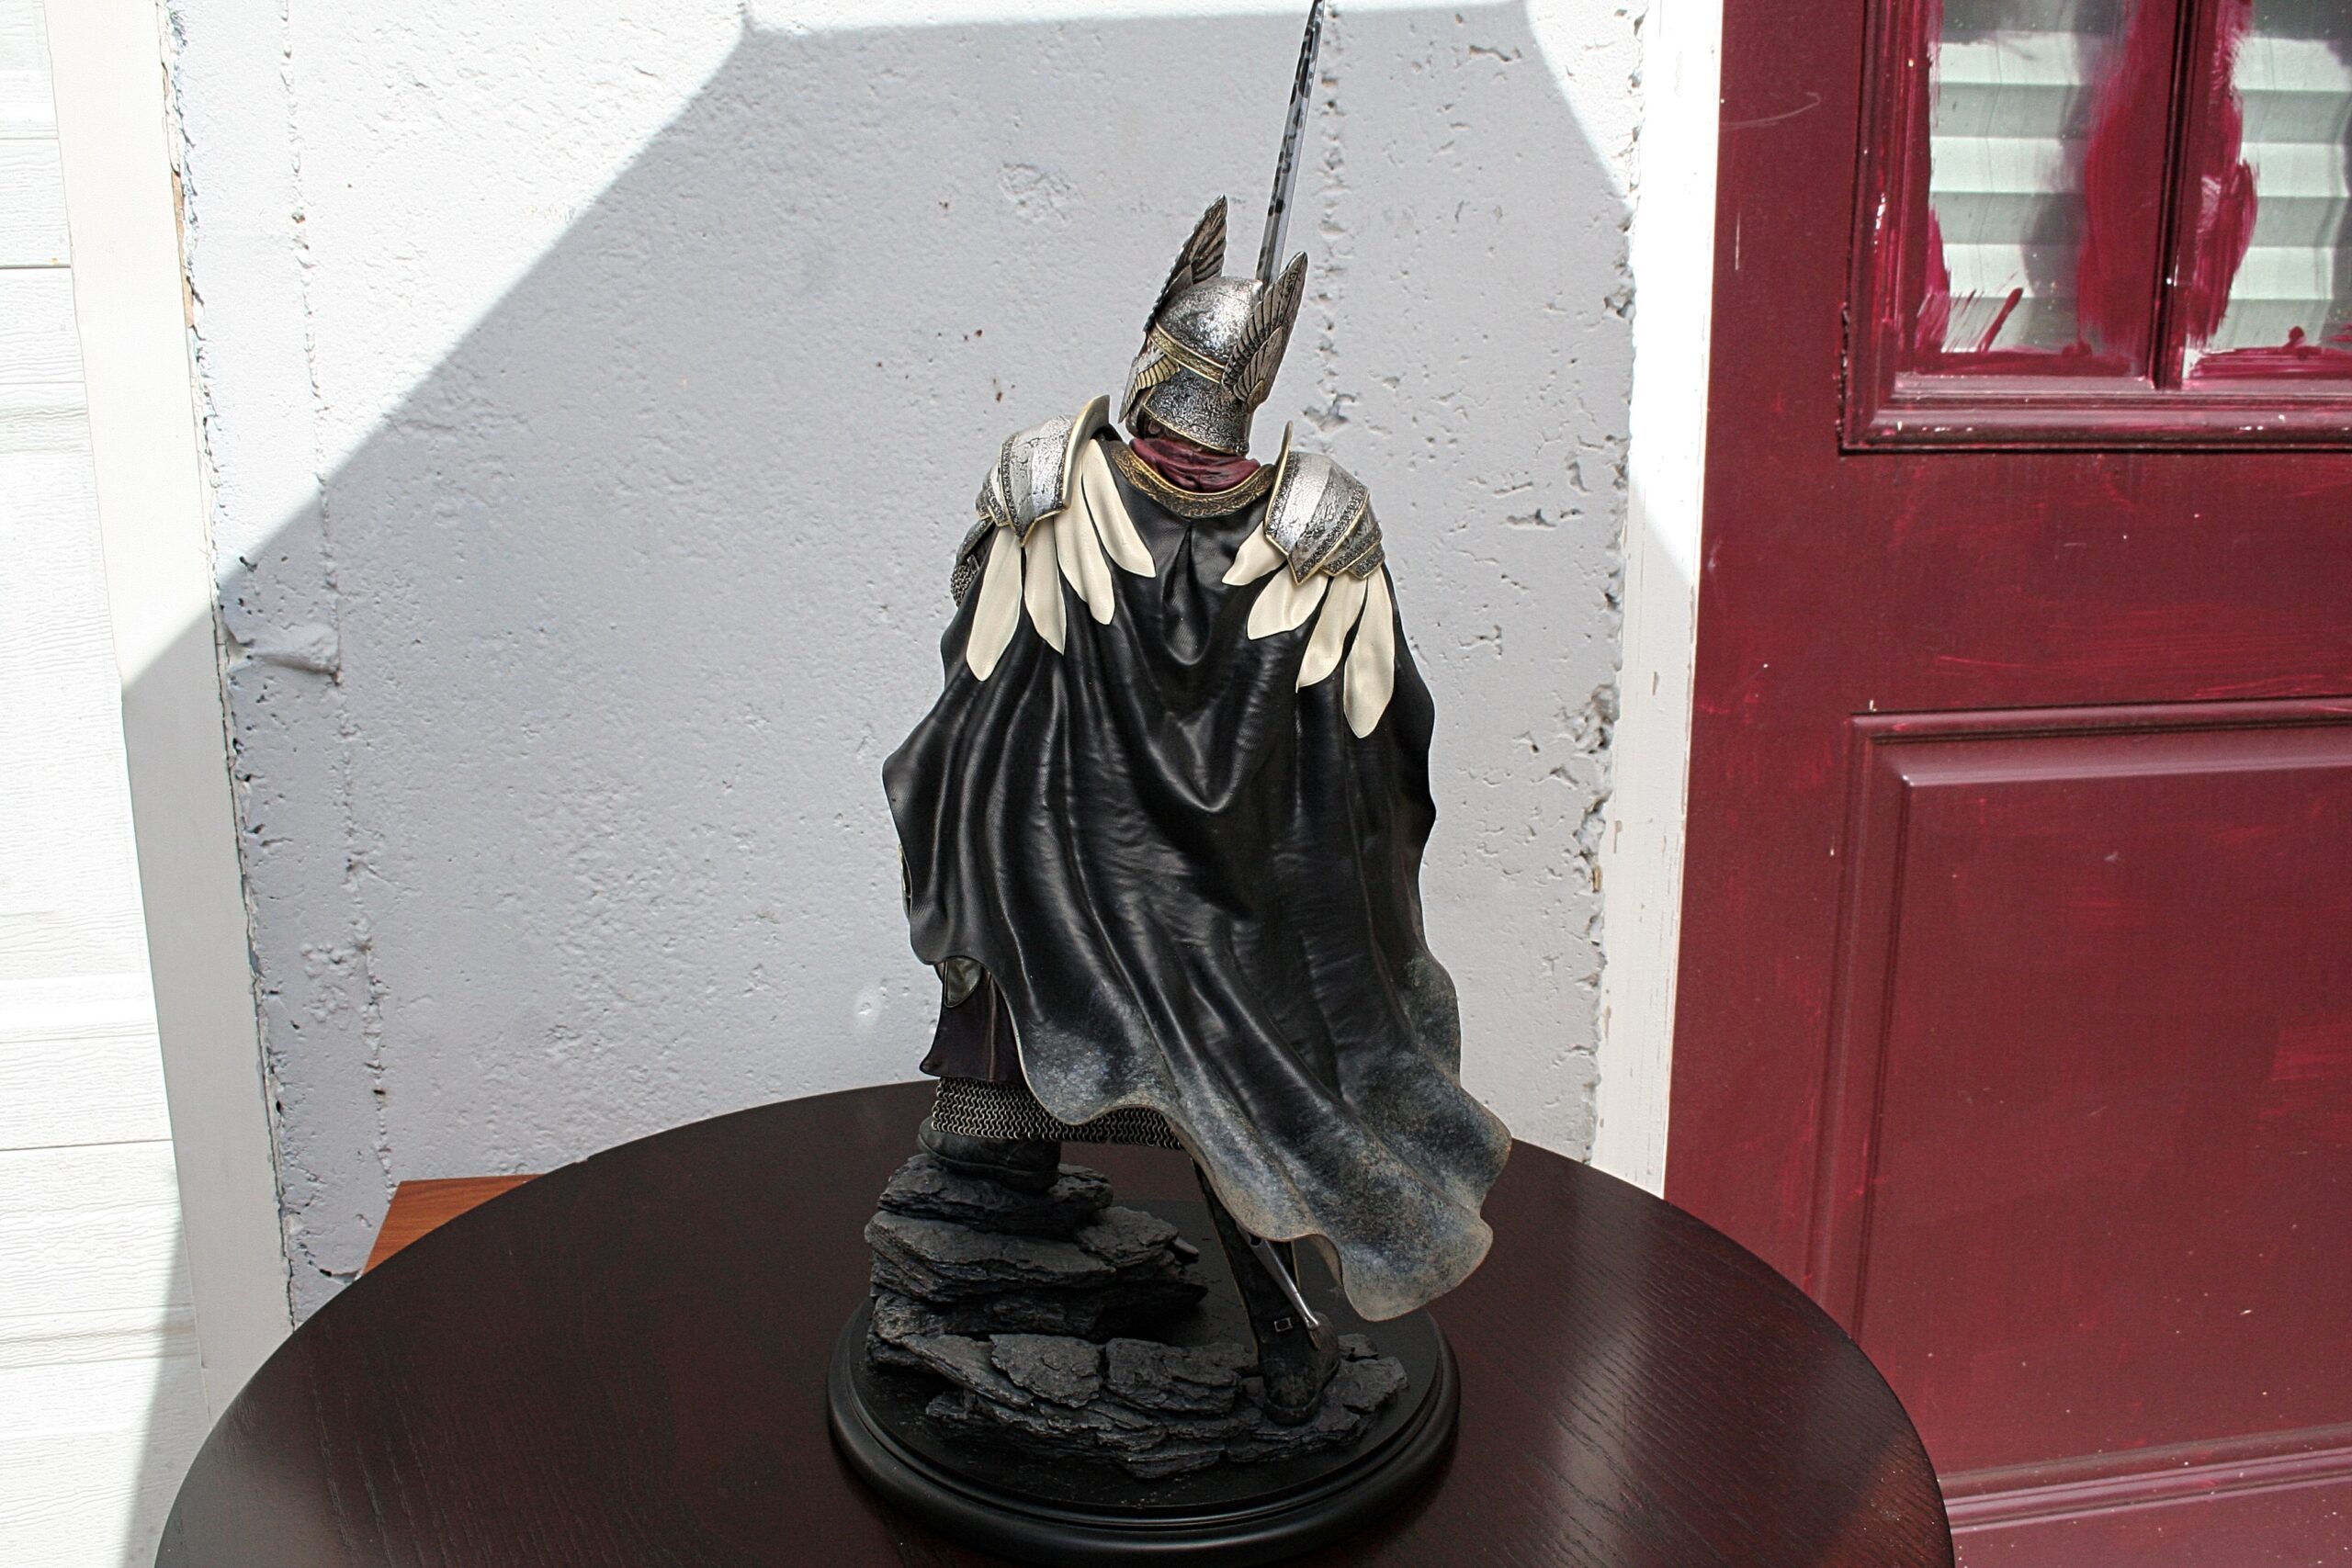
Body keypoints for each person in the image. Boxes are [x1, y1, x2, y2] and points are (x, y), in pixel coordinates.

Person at [883, 4, 1509, 1427]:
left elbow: (977, 642)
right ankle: (985, 1241)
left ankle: (1264, 1330)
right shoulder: (1244, 516)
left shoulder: (1081, 487)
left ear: (1157, 356)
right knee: (1108, 1079)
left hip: (1134, 905)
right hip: (1120, 900)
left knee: (1187, 1079)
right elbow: (1368, 753)